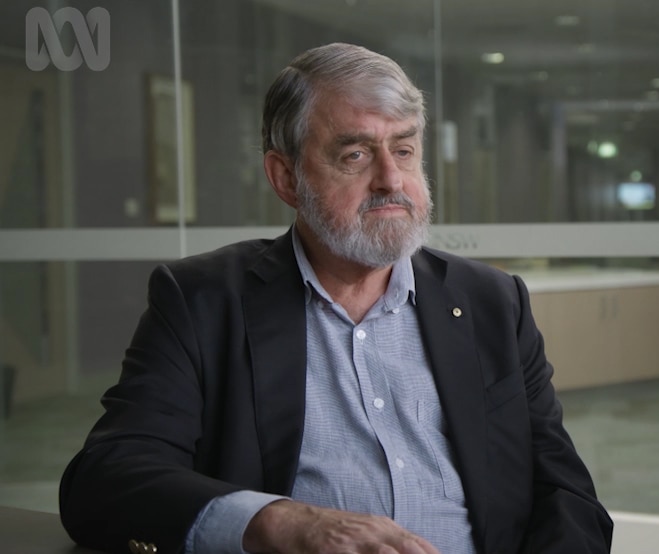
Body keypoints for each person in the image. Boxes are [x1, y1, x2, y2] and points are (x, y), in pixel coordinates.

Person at [59, 42, 613, 554]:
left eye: (404, 150)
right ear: (286, 177)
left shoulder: (493, 302)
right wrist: (282, 522)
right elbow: (107, 477)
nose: (391, 180)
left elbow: (568, 495)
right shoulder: (204, 301)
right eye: (354, 155)